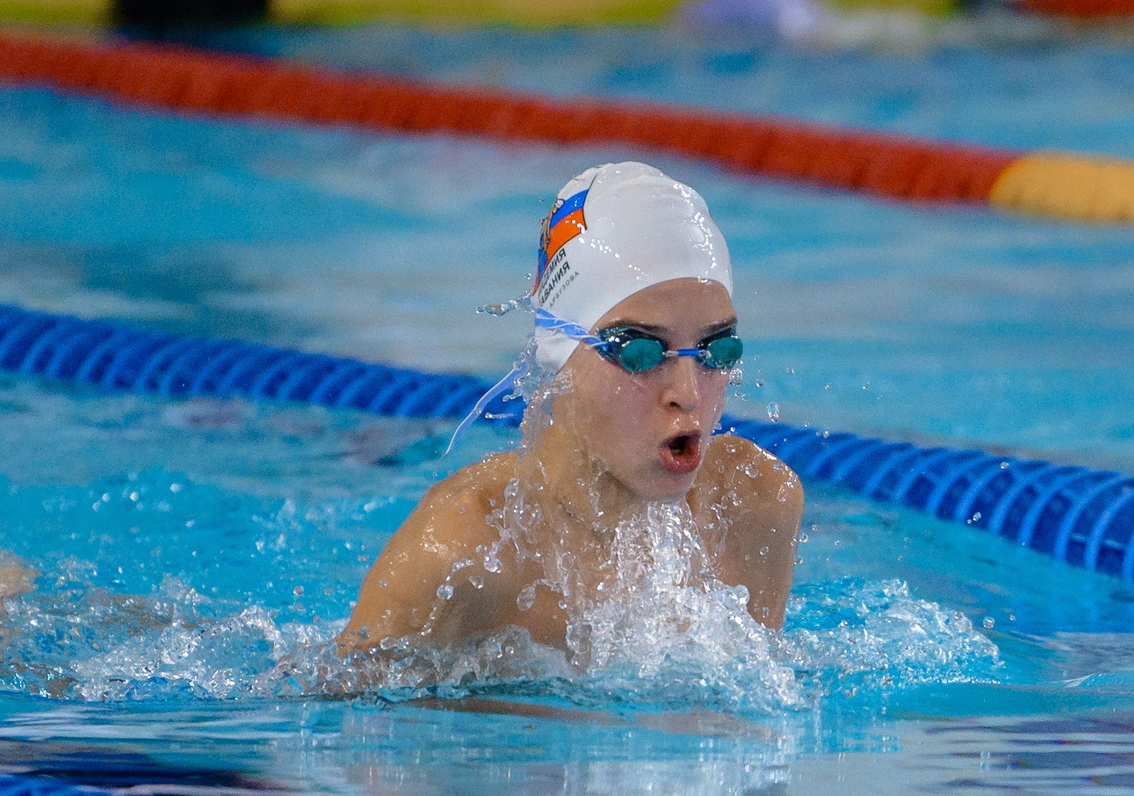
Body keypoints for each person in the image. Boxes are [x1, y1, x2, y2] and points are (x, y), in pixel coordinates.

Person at [338, 161, 804, 667]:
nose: (688, 393)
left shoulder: (754, 507)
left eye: (716, 350)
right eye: (640, 352)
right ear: (560, 347)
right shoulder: (460, 553)